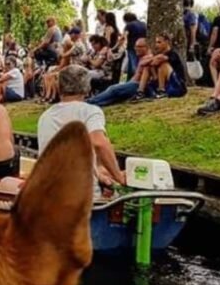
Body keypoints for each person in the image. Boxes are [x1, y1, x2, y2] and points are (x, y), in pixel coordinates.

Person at [38, 65, 126, 198]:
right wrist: (119, 176)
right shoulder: (89, 111)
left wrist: (97, 174)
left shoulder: (46, 116)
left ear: (59, 87)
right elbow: (99, 143)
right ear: (87, 87)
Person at [85, 38, 153, 107]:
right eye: (136, 46)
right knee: (114, 93)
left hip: (137, 86)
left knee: (113, 89)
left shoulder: (149, 58)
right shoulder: (141, 58)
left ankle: (89, 102)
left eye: (139, 47)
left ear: (147, 47)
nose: (136, 48)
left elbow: (97, 64)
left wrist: (89, 59)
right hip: (132, 83)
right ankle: (91, 103)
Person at [136, 34, 187, 100]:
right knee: (147, 67)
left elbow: (160, 59)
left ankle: (161, 91)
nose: (157, 45)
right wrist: (152, 60)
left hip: (177, 85)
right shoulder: (158, 54)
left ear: (167, 42)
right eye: (156, 42)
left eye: (159, 42)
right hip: (164, 82)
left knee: (163, 64)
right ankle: (140, 92)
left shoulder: (173, 54)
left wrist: (152, 59)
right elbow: (143, 63)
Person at [122, 12, 148, 80]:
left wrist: (116, 46)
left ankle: (136, 82)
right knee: (130, 68)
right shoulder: (143, 24)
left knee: (135, 67)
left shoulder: (129, 25)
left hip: (133, 47)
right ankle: (128, 81)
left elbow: (124, 36)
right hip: (144, 48)